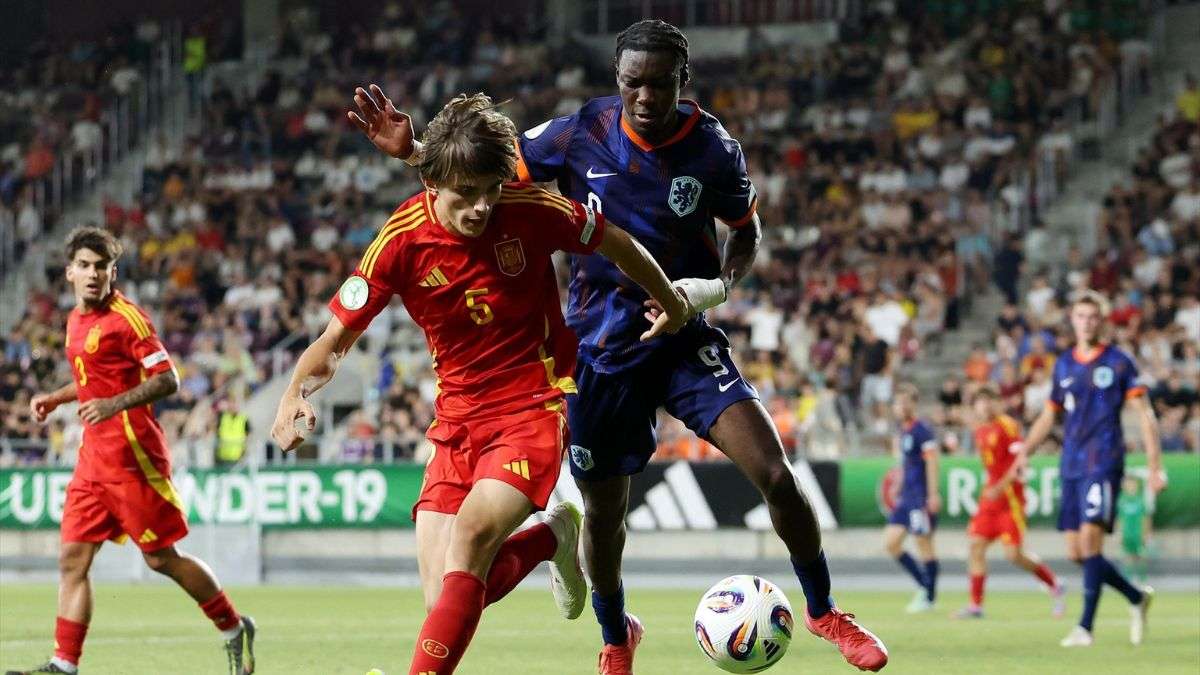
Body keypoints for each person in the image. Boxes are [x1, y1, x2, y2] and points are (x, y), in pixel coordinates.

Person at [348, 19, 889, 674]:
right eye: (633, 83)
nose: (645, 96)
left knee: (775, 472)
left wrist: (713, 288)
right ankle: (615, 636)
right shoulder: (581, 132)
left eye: (659, 84)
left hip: (683, 340)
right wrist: (416, 153)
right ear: (618, 78)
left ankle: (825, 610)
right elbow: (481, 178)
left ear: (682, 81)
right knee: (605, 514)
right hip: (600, 353)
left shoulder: (714, 148)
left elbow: (746, 232)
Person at [272, 93, 693, 675]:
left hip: (533, 404)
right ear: (431, 183)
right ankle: (553, 537)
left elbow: (616, 241)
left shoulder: (529, 206)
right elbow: (334, 340)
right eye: (466, 194)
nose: (481, 207)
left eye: (491, 191)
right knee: (444, 600)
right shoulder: (400, 241)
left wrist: (671, 299)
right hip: (456, 420)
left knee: (469, 543)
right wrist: (294, 391)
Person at [6, 227, 255, 675]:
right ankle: (64, 664)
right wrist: (56, 398)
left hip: (133, 456)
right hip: (92, 459)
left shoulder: (128, 320)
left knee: (161, 559)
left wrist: (113, 404)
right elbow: (93, 379)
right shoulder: (75, 320)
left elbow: (168, 379)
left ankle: (234, 627)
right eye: (84, 266)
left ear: (113, 272)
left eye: (101, 266)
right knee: (72, 560)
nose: (93, 274)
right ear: (69, 272)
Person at [1018, 291, 1165, 647]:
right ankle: (1135, 596)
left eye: (1093, 316)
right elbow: (1049, 414)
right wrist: (1024, 452)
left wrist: (1154, 466)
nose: (1087, 322)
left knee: (1090, 541)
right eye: (1081, 316)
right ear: (1072, 320)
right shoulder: (1064, 364)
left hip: (1104, 461)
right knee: (1076, 553)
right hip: (1071, 462)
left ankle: (1085, 628)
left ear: (1103, 321)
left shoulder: (1118, 362)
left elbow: (1144, 415)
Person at [953, 386, 1064, 619]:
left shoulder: (1008, 425)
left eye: (989, 400)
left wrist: (1000, 487)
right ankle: (976, 605)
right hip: (990, 499)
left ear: (997, 403)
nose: (985, 406)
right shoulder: (980, 430)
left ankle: (1053, 583)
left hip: (1010, 499)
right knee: (975, 546)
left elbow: (1020, 463)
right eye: (980, 402)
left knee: (1013, 555)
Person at [882, 383, 941, 614]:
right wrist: (899, 483)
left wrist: (933, 494)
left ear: (914, 404)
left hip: (919, 496)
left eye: (906, 402)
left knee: (923, 543)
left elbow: (932, 462)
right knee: (891, 543)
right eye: (898, 402)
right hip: (906, 496)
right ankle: (924, 586)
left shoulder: (922, 430)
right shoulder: (903, 430)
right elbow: (907, 462)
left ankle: (929, 597)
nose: (901, 406)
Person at [1116, 476, 1152, 583]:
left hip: (1138, 533)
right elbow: (1119, 518)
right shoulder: (1121, 500)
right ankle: (1128, 580)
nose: (1131, 486)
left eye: (1133, 484)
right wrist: (1119, 533)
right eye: (1128, 484)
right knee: (1128, 557)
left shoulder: (1141, 500)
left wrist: (1146, 534)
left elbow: (1146, 518)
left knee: (1141, 556)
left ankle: (1143, 581)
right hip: (1127, 534)